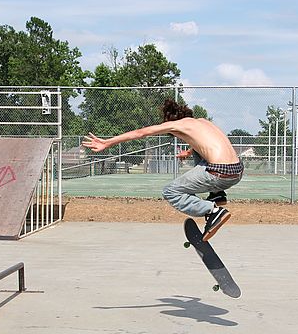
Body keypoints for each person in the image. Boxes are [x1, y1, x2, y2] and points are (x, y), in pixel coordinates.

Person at [82, 99, 244, 240]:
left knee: (170, 191)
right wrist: (188, 152)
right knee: (195, 149)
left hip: (218, 173)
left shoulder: (177, 124)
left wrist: (108, 142)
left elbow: (141, 132)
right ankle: (217, 195)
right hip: (236, 171)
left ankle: (213, 211)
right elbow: (209, 145)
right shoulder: (203, 122)